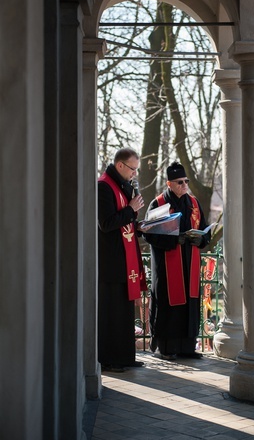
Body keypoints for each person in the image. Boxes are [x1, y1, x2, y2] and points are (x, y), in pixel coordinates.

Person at [143, 161, 211, 360]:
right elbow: (148, 234)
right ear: (169, 183)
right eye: (179, 182)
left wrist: (202, 239)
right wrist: (174, 239)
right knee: (168, 304)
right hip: (167, 265)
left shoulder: (195, 203)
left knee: (189, 304)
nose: (184, 185)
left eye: (186, 181)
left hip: (190, 262)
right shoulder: (158, 204)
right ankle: (166, 348)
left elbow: (206, 231)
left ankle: (187, 347)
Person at [98, 147, 147, 372]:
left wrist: (141, 224)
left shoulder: (122, 186)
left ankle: (126, 356)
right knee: (112, 313)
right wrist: (130, 209)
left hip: (125, 262)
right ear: (120, 166)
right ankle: (110, 359)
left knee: (125, 313)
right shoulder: (104, 186)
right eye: (132, 169)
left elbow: (125, 221)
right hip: (111, 262)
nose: (134, 174)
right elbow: (106, 224)